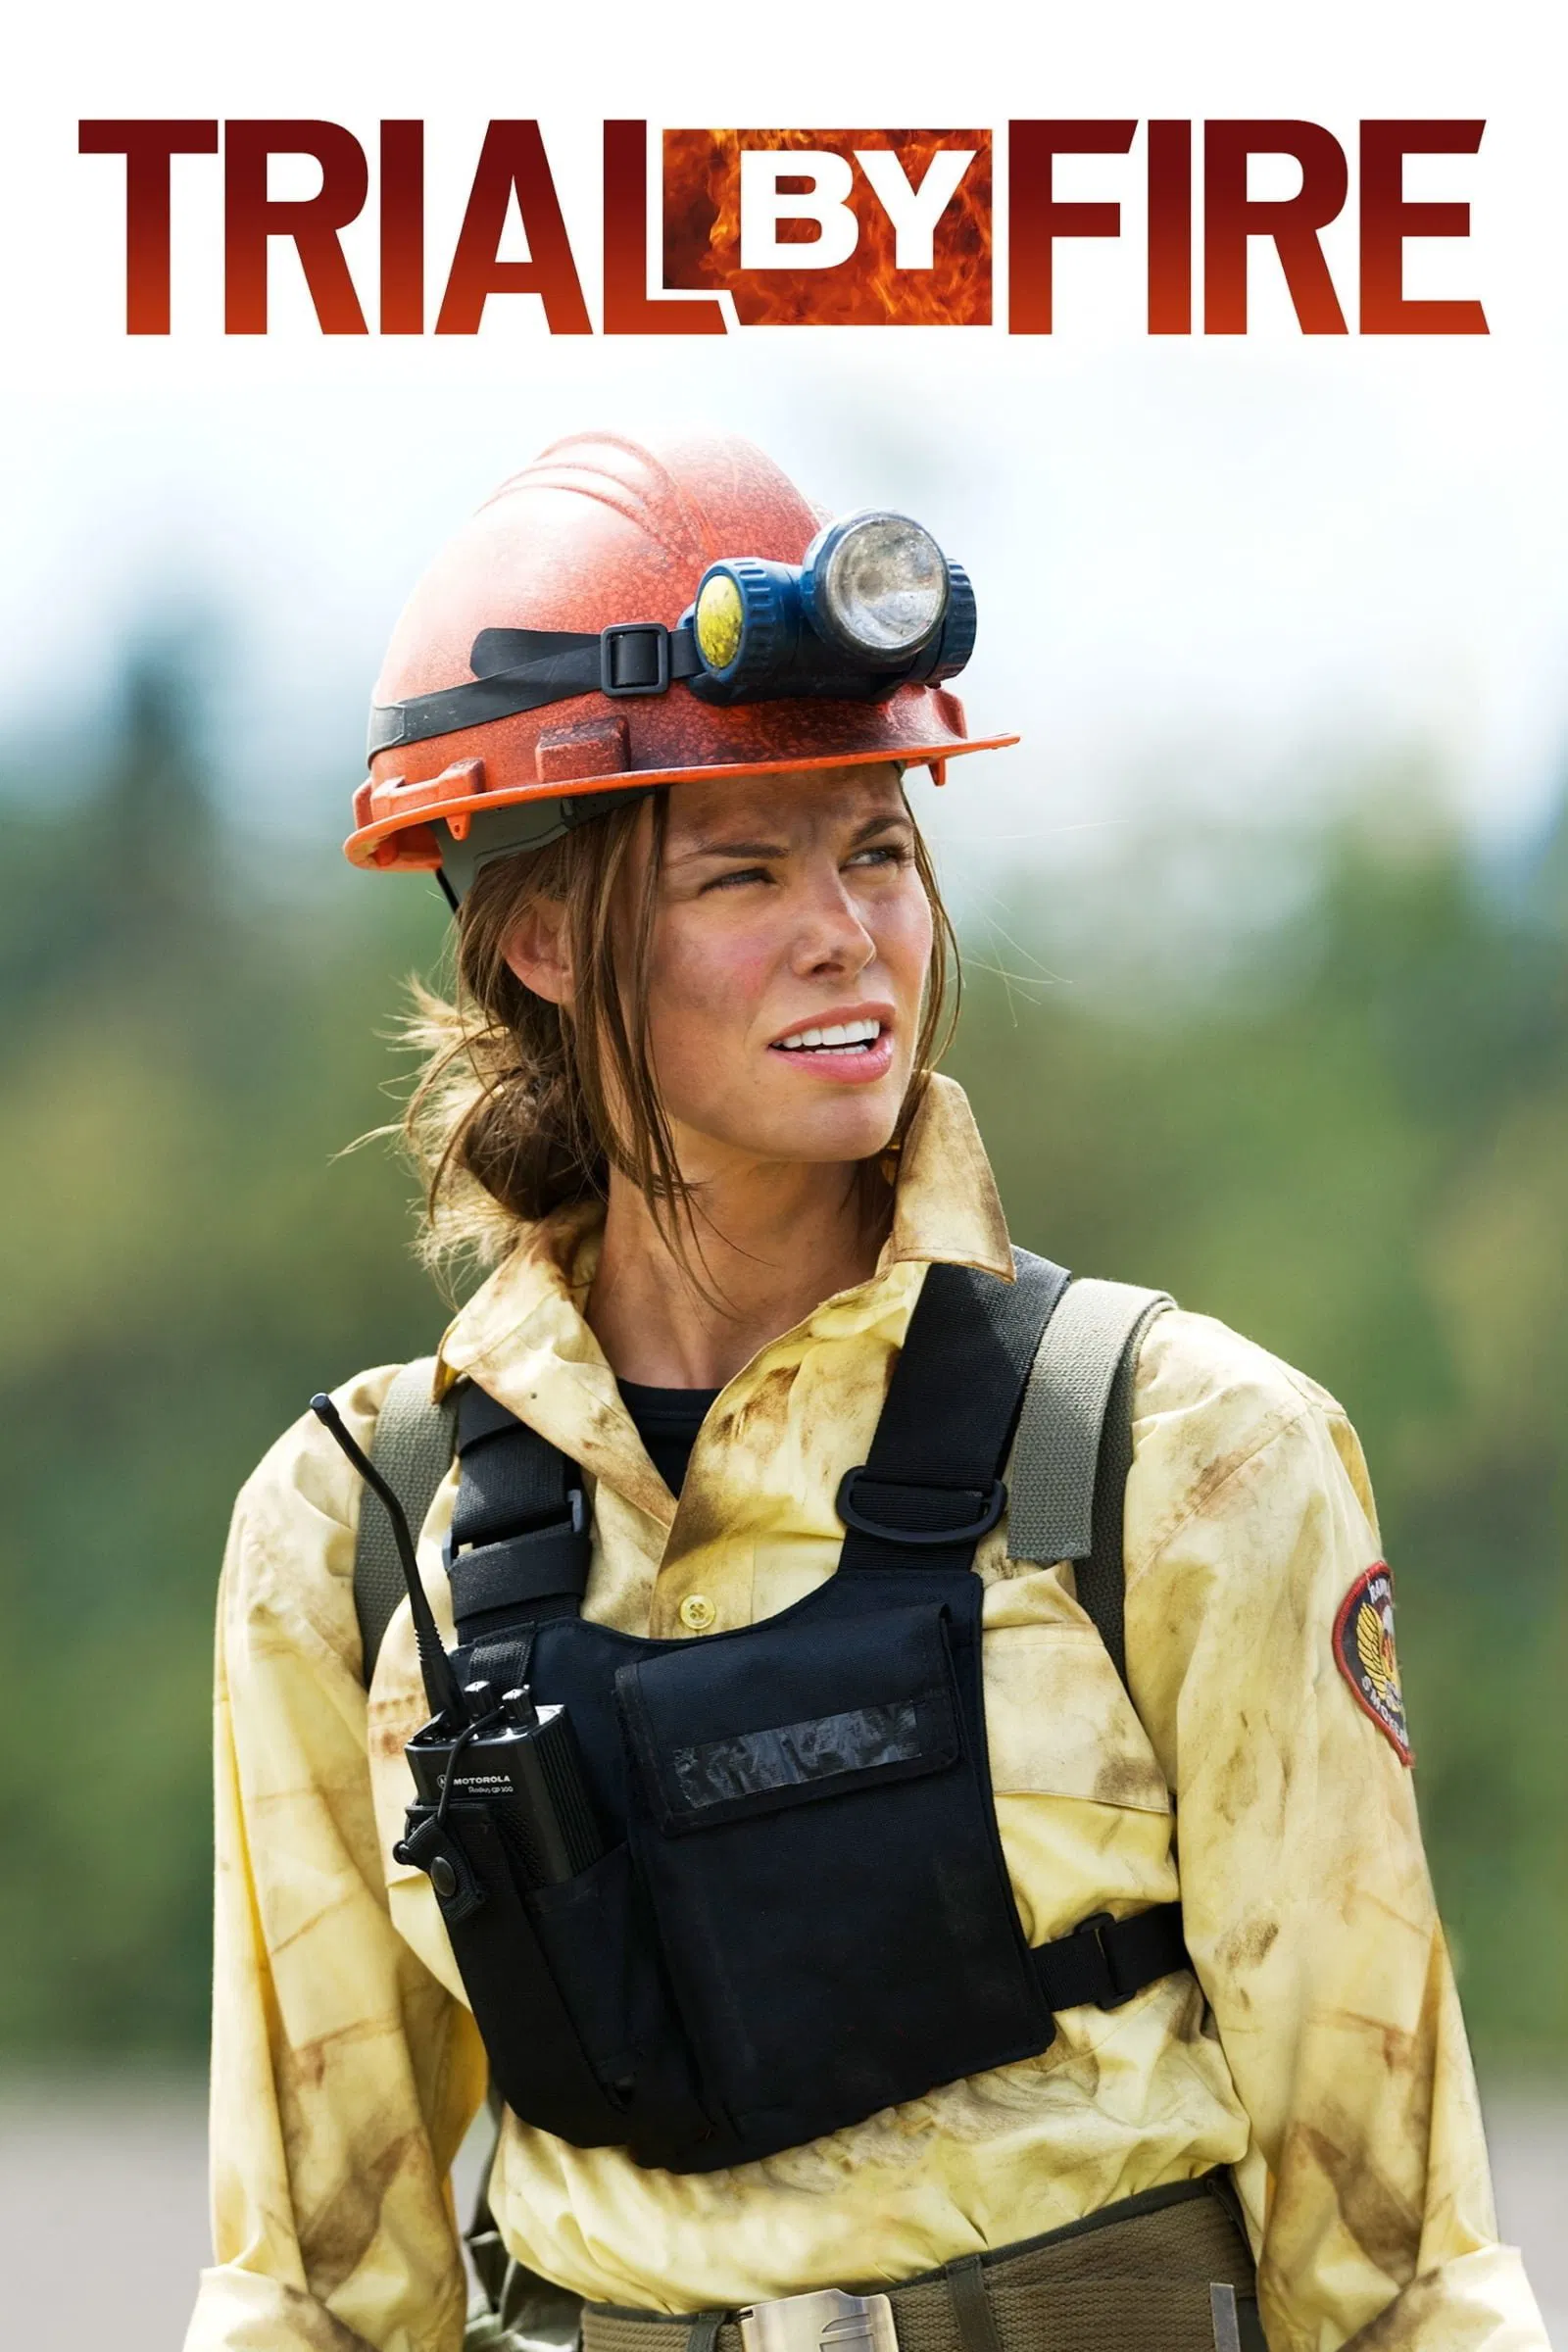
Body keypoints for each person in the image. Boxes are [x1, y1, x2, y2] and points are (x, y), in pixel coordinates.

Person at [185, 431, 1546, 2352]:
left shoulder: (1178, 1460)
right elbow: (317, 2293)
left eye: (883, 847)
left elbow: (1397, 2266)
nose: (852, 931)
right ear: (540, 937)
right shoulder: (352, 1530)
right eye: (744, 865)